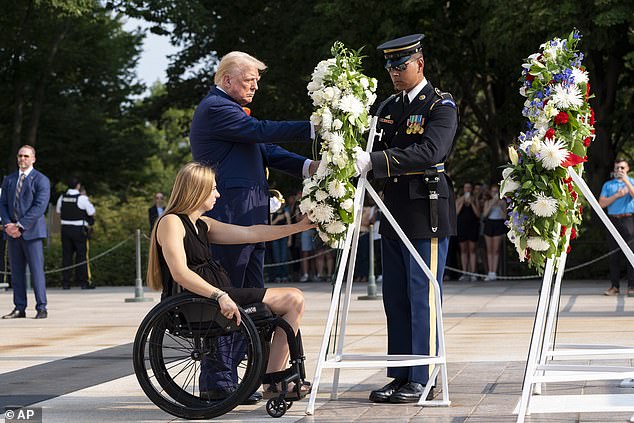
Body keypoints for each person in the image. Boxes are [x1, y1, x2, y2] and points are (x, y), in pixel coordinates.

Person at [189, 51, 318, 401]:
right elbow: (260, 131)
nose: (255, 86)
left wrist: (313, 167)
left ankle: (256, 375)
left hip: (250, 216)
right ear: (227, 79)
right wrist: (312, 127)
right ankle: (218, 382)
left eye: (257, 81)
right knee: (230, 298)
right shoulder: (216, 108)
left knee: (254, 301)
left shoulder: (232, 111)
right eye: (250, 80)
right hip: (230, 218)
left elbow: (269, 151)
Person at [146, 162, 314, 399]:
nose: (218, 193)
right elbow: (180, 272)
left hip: (215, 295)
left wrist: (298, 227)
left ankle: (274, 379)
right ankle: (274, 382)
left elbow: (252, 233)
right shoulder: (171, 222)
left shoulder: (202, 224)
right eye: (213, 188)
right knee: (293, 298)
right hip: (198, 301)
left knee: (293, 300)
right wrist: (219, 295)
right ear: (197, 189)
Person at [354, 34, 458, 403]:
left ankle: (424, 377)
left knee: (421, 295)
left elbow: (431, 150)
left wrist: (378, 162)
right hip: (393, 209)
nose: (395, 73)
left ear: (420, 63)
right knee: (395, 297)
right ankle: (402, 375)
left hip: (424, 210)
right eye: (390, 67)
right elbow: (373, 149)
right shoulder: (389, 106)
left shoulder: (440, 105)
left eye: (401, 65)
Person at [0, 145, 50, 319]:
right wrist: (8, 224)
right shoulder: (9, 179)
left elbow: (39, 207)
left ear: (33, 159)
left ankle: (41, 307)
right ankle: (19, 307)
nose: (23, 159)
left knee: (36, 272)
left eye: (26, 156)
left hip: (32, 233)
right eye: (20, 156)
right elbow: (3, 204)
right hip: (12, 233)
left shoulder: (41, 180)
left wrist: (20, 226)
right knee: (16, 273)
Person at [599, 158, 634, 296]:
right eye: (617, 168)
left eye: (622, 168)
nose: (619, 170)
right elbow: (601, 203)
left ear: (627, 169)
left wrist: (626, 181)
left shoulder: (631, 182)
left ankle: (632, 286)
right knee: (614, 255)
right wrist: (617, 195)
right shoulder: (608, 185)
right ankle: (615, 286)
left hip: (629, 220)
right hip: (613, 220)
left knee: (630, 254)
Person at [56, 176, 96, 289]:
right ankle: (84, 282)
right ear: (78, 186)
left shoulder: (62, 197)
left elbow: (59, 211)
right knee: (82, 256)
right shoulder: (82, 198)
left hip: (65, 229)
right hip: (79, 230)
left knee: (67, 256)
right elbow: (92, 211)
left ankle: (66, 282)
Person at [481, 185, 507, 281]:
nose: (494, 193)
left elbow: (505, 217)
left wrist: (499, 206)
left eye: (496, 191)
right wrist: (492, 204)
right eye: (493, 191)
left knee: (495, 250)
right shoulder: (488, 202)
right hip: (489, 224)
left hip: (498, 224)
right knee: (489, 250)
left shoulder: (503, 202)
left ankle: (494, 272)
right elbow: (484, 214)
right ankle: (490, 271)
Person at [456, 183, 481, 281]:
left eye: (469, 187)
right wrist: (462, 201)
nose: (467, 189)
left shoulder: (475, 199)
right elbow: (456, 212)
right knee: (463, 250)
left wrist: (472, 203)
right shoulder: (459, 199)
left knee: (472, 249)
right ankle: (464, 272)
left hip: (472, 226)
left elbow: (478, 214)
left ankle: (473, 272)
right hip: (462, 226)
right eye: (466, 187)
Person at [269, 200, 291, 283]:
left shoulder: (286, 213)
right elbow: (270, 225)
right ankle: (278, 276)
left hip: (284, 238)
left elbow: (289, 226)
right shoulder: (273, 213)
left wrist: (290, 239)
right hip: (275, 237)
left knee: (284, 257)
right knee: (277, 257)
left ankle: (285, 275)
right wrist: (277, 219)